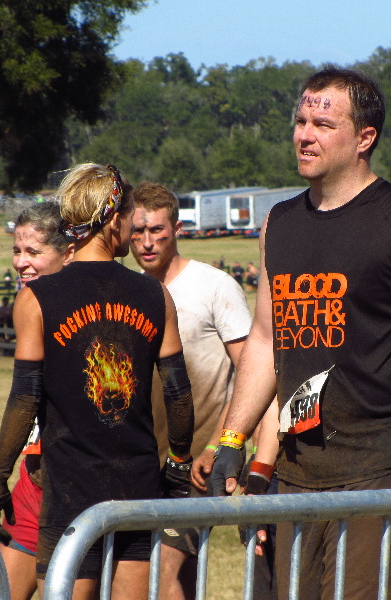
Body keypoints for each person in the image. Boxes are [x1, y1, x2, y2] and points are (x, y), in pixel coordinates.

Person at [210, 67, 391, 600]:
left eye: (323, 124)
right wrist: (232, 438)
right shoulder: (278, 222)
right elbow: (263, 340)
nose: (305, 134)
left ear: (364, 137)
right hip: (299, 473)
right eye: (300, 121)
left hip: (379, 471)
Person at [0, 163, 194, 600]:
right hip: (137, 489)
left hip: (67, 491)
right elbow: (177, 391)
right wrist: (177, 464)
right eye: (130, 218)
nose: (134, 227)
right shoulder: (155, 295)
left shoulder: (37, 299)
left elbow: (24, 399)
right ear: (111, 220)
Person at [129, 181, 252, 599]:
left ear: (177, 228)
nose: (147, 242)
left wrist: (220, 445)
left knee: (164, 576)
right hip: (145, 462)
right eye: (137, 231)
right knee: (161, 577)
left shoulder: (214, 286)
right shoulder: (129, 292)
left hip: (200, 461)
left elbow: (251, 373)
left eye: (157, 231)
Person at [0, 201, 75, 600]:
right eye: (17, 251)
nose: (22, 262)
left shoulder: (87, 309)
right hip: (32, 478)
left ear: (67, 253)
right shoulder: (29, 304)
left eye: (34, 252)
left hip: (78, 484)